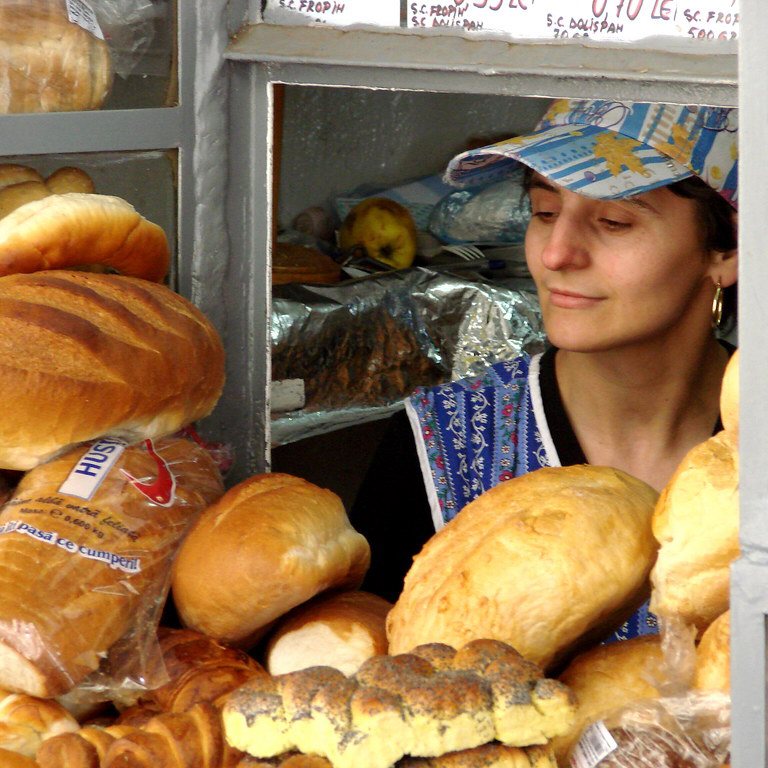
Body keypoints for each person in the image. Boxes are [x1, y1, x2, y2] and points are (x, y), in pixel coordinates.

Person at [349, 98, 739, 643]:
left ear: (730, 248)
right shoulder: (443, 443)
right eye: (544, 212)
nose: (556, 254)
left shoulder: (754, 448)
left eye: (613, 221)